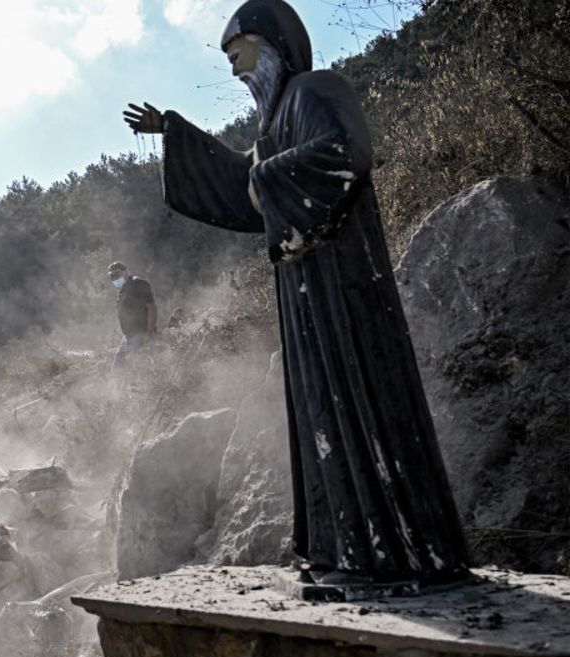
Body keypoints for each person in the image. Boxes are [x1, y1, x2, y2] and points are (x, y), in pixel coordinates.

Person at [122, 0, 468, 588]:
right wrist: (175, 134)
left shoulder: (316, 90)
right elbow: (240, 183)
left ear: (272, 41)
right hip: (305, 292)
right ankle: (347, 548)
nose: (235, 71)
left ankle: (402, 552)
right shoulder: (276, 119)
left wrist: (263, 181)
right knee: (323, 414)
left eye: (239, 55)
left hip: (346, 284)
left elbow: (344, 154)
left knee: (364, 403)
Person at [108, 261, 158, 370]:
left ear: (125, 272)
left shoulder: (137, 284)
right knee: (119, 362)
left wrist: (150, 332)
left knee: (138, 365)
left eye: (117, 274)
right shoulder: (123, 290)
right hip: (128, 336)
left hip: (141, 333)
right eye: (112, 276)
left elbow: (152, 307)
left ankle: (143, 385)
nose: (115, 278)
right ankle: (116, 386)